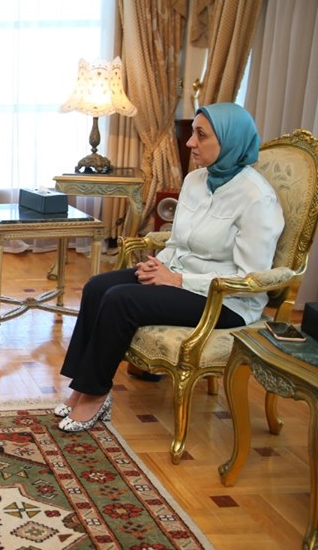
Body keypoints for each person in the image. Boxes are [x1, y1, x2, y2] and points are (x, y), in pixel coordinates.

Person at [56, 103, 284, 432]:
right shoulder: (196, 180)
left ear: (230, 141)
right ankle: (81, 386)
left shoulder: (257, 198)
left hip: (227, 300)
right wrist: (157, 266)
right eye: (193, 133)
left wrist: (177, 280)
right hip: (179, 276)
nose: (190, 142)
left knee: (121, 300)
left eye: (201, 135)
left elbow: (250, 277)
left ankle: (95, 393)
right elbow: (178, 242)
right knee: (97, 286)